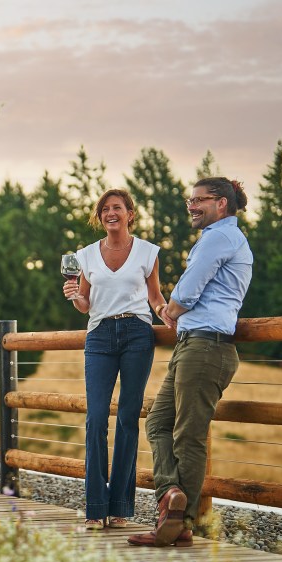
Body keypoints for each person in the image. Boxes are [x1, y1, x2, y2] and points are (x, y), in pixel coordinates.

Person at [128, 177, 253, 548]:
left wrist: (170, 309)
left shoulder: (220, 238)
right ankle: (172, 498)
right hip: (193, 345)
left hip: (207, 348)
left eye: (199, 200)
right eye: (190, 201)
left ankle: (179, 521)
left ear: (221, 204)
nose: (192, 207)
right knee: (159, 422)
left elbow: (188, 289)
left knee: (188, 435)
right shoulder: (220, 238)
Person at [63, 189, 168, 530]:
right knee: (95, 419)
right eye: (105, 209)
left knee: (126, 419)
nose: (111, 213)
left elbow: (154, 296)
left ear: (129, 214)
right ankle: (95, 507)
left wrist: (168, 313)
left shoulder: (147, 252)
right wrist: (76, 296)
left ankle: (120, 506)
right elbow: (86, 304)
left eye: (117, 208)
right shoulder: (86, 255)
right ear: (100, 216)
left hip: (137, 334)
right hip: (99, 337)